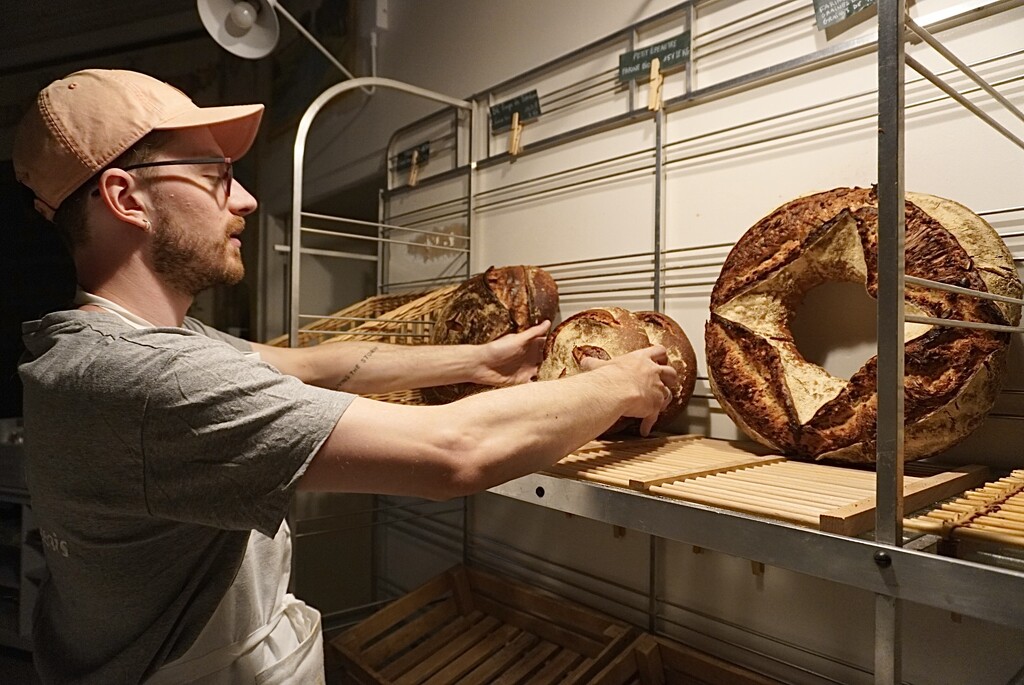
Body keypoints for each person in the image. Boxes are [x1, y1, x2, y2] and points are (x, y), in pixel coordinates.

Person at [12, 69, 677, 684]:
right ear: (126, 198)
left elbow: (308, 364)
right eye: (215, 174)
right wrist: (616, 385)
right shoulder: (145, 379)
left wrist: (475, 361)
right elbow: (453, 454)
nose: (243, 199)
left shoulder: (114, 340)